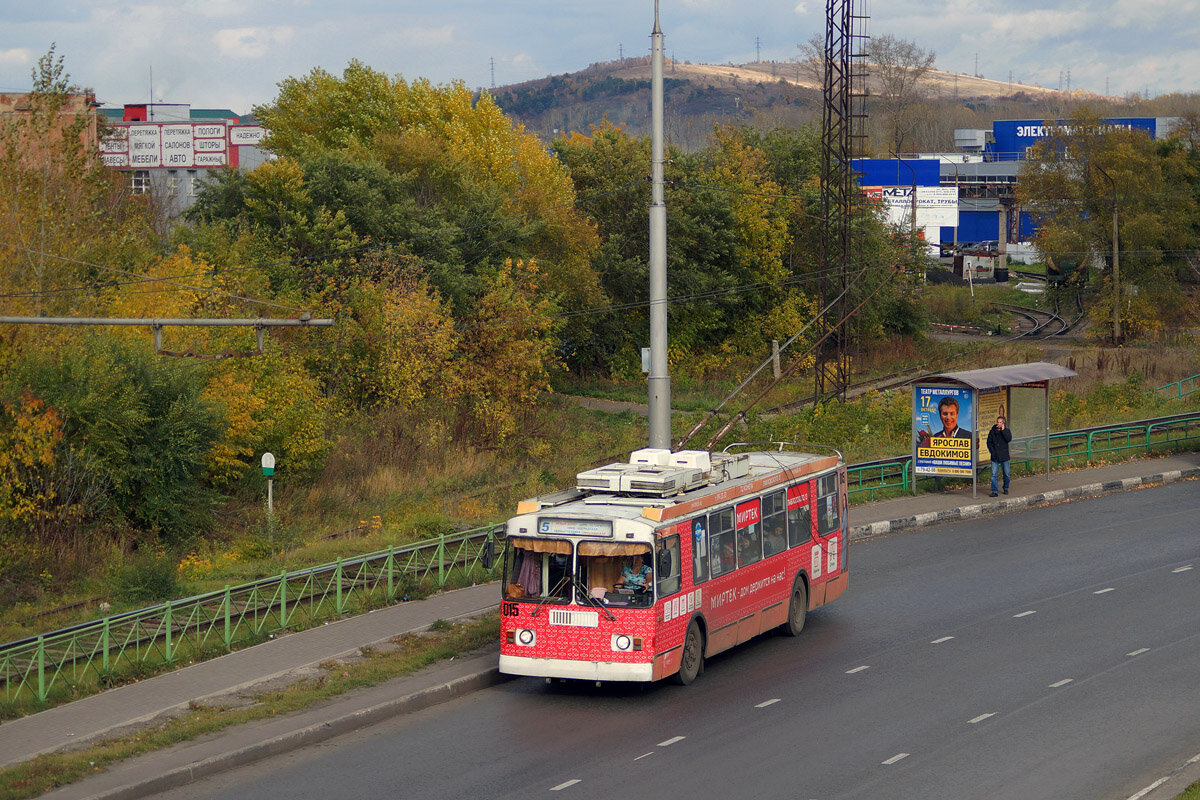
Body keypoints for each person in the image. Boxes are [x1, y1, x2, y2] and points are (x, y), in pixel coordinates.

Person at [987, 415, 1013, 496]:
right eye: (998, 422)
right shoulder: (992, 431)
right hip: (995, 456)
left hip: (1004, 456)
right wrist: (992, 452)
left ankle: (1005, 488)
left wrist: (1003, 430)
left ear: (1003, 423)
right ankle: (995, 491)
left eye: (1000, 422)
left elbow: (1008, 439)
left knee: (1006, 473)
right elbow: (989, 442)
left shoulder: (1006, 431)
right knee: (994, 474)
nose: (999, 424)